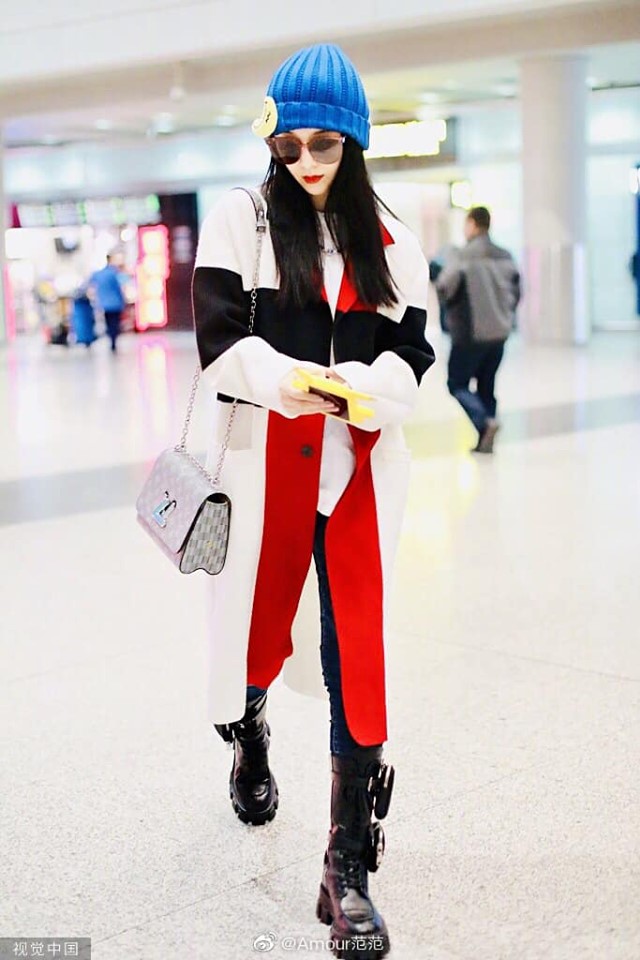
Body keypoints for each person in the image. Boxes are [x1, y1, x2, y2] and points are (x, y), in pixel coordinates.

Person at [192, 43, 435, 960]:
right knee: (254, 634)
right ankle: (249, 732)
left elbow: (413, 356)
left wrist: (362, 391)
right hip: (265, 466)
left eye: (323, 145)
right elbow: (219, 339)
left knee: (353, 654)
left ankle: (348, 867)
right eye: (286, 145)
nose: (303, 161)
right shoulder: (243, 219)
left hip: (358, 473)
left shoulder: (393, 241)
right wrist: (291, 380)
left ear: (354, 142)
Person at [436, 206, 520, 453]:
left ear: (472, 224)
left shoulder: (462, 256)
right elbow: (517, 291)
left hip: (470, 333)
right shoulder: (506, 255)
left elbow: (445, 287)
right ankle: (487, 437)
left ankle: (484, 423)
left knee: (456, 383)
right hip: (500, 333)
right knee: (487, 386)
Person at [89, 254, 126, 352]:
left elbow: (90, 285)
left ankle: (111, 339)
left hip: (104, 304)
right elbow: (119, 289)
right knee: (115, 323)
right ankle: (113, 340)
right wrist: (123, 301)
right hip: (116, 303)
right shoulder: (114, 273)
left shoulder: (98, 274)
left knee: (109, 323)